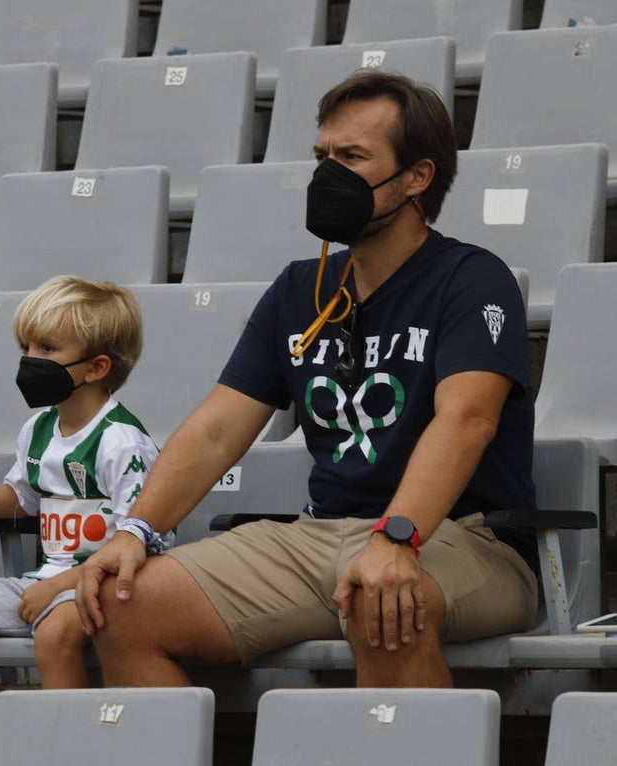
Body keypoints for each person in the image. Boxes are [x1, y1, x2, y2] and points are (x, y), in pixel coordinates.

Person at [75, 70, 539, 689]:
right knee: (123, 607)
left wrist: (397, 540)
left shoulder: (473, 280)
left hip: (464, 541)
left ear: (417, 177)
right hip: (319, 535)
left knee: (385, 605)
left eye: (351, 157)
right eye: (322, 155)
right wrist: (135, 530)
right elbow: (217, 429)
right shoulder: (300, 287)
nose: (328, 175)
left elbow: (468, 419)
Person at [0, 275, 168, 742]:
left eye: (47, 349)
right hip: (44, 581)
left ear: (96, 367)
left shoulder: (121, 441)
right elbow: (23, 495)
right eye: (26, 347)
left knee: (54, 635)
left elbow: (147, 538)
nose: (30, 361)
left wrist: (65, 585)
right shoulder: (38, 429)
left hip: (107, 587)